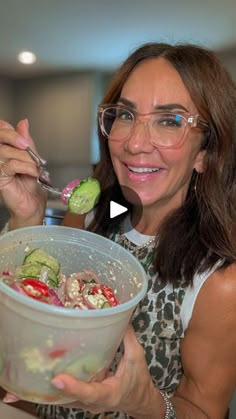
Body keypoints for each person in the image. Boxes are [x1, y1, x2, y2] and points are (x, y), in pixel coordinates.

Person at [0, 42, 236, 419]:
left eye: (170, 120)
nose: (134, 143)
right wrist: (28, 218)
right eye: (125, 115)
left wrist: (142, 402)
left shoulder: (219, 280)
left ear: (205, 153)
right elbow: (36, 314)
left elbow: (206, 412)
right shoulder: (98, 212)